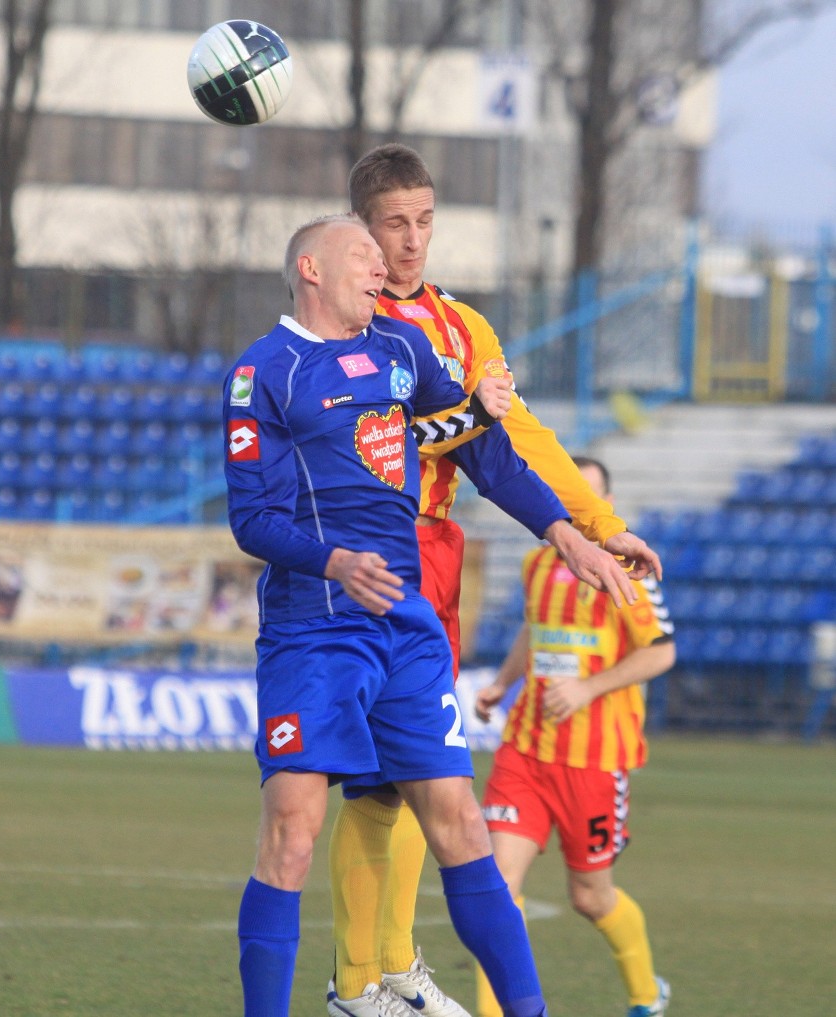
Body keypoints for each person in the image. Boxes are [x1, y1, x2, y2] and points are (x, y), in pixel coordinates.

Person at [328, 143, 664, 1016]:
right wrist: (476, 413)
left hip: (438, 555)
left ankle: (378, 973)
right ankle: (366, 974)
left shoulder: (465, 326)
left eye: (425, 220)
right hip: (367, 549)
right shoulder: (345, 322)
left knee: (403, 779)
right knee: (382, 781)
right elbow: (394, 435)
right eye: (394, 223)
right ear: (360, 227)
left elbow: (519, 443)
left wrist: (599, 526)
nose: (412, 240)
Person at [225, 212, 556, 1017]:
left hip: (406, 628)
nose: (383, 268)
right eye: (364, 255)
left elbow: (478, 448)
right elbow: (250, 517)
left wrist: (564, 531)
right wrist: (332, 559)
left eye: (385, 256)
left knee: (462, 825)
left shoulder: (405, 351)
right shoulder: (262, 372)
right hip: (314, 626)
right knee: (293, 830)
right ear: (311, 267)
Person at [474, 456, 676, 1017]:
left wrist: (588, 690)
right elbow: (535, 628)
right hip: (525, 749)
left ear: (605, 506)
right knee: (498, 888)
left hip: (595, 757)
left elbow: (662, 652)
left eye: (588, 495)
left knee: (590, 897)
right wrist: (501, 683)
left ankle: (644, 995)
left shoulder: (625, 570)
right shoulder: (539, 561)